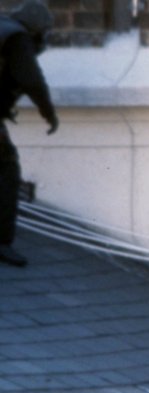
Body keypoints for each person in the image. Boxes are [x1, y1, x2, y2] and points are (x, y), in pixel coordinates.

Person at [0, 0, 58, 267]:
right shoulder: (17, 38)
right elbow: (31, 79)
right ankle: (2, 242)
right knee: (7, 169)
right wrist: (48, 113)